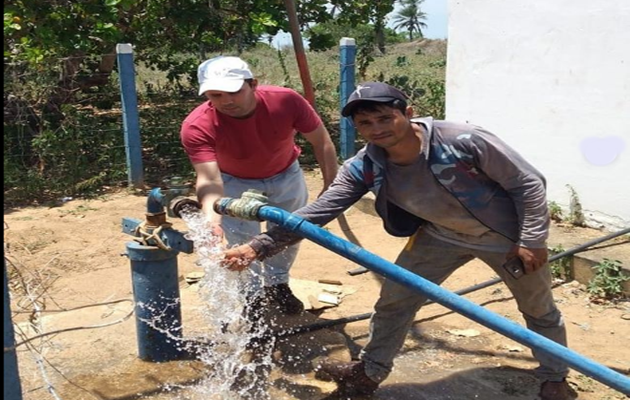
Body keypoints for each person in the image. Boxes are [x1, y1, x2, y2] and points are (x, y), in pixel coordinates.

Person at [221, 82, 572, 400]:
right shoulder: (366, 165)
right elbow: (322, 208)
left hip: (504, 237)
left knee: (537, 308)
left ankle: (555, 376)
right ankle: (369, 372)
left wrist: (532, 238)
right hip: (439, 235)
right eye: (366, 124)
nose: (377, 130)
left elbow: (526, 183)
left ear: (407, 113)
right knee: (395, 301)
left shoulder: (463, 140)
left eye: (385, 118)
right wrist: (259, 247)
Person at [180, 56, 338, 315]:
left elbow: (322, 142)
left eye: (234, 92)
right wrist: (212, 222)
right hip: (233, 181)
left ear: (252, 84)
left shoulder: (286, 101)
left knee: (288, 232)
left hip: (286, 174)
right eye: (216, 95)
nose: (227, 101)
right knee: (241, 240)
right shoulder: (197, 125)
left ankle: (278, 284)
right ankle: (251, 296)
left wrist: (330, 188)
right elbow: (209, 178)